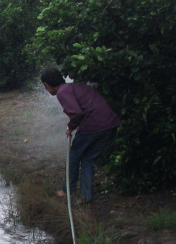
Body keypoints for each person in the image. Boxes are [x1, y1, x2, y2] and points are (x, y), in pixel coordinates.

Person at [40, 67, 120, 204]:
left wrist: (70, 127)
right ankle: (86, 197)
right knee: (88, 159)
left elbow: (77, 113)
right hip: (109, 124)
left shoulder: (62, 92)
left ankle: (67, 190)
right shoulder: (74, 86)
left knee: (74, 156)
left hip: (94, 125)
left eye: (45, 86)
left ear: (47, 84)